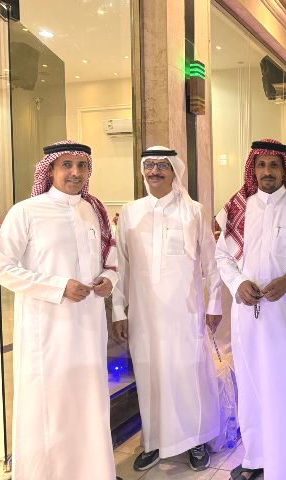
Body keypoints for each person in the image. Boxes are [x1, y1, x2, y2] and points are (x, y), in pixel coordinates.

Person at [0, 141, 121, 480]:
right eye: (66, 165)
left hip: (89, 327)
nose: (75, 172)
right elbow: (1, 268)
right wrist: (59, 287)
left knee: (88, 403)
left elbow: (111, 261)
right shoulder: (26, 211)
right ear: (50, 170)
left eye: (82, 165)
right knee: (50, 408)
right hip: (47, 331)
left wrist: (108, 280)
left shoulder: (94, 211)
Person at [215, 139, 286, 480]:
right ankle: (256, 458)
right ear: (253, 169)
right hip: (249, 318)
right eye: (261, 165)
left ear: (284, 170)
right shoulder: (238, 209)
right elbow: (222, 257)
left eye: (274, 165)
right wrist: (237, 284)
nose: (267, 171)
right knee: (252, 386)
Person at [112, 146, 222, 471]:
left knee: (188, 374)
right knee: (150, 377)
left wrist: (214, 303)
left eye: (162, 165)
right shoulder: (130, 212)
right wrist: (118, 310)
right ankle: (154, 441)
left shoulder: (194, 211)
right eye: (149, 165)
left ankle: (196, 440)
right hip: (144, 315)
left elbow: (211, 261)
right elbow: (120, 266)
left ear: (175, 171)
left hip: (185, 313)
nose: (155, 171)